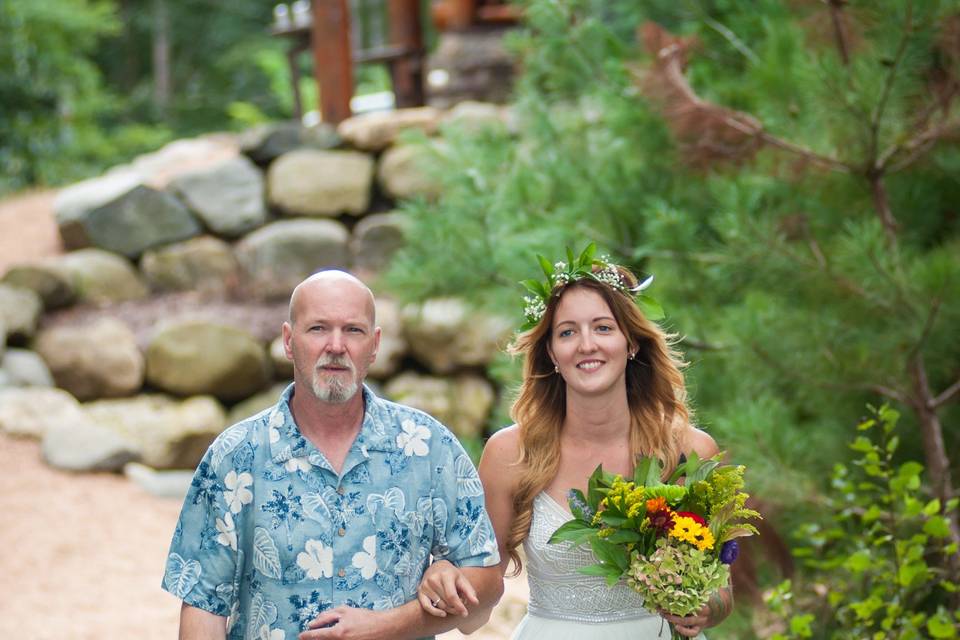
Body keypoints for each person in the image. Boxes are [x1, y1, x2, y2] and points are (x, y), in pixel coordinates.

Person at [162, 270, 503, 640]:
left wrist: (393, 625)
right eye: (318, 329)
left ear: (374, 345)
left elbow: (485, 587)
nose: (336, 346)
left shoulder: (428, 446)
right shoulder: (234, 457)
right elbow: (204, 608)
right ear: (289, 342)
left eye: (353, 330)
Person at [417, 252, 733, 638]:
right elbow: (476, 607)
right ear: (551, 352)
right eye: (567, 332)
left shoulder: (690, 451)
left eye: (603, 328)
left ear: (631, 341)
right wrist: (444, 576)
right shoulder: (510, 453)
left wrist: (704, 609)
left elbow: (721, 590)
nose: (586, 345)